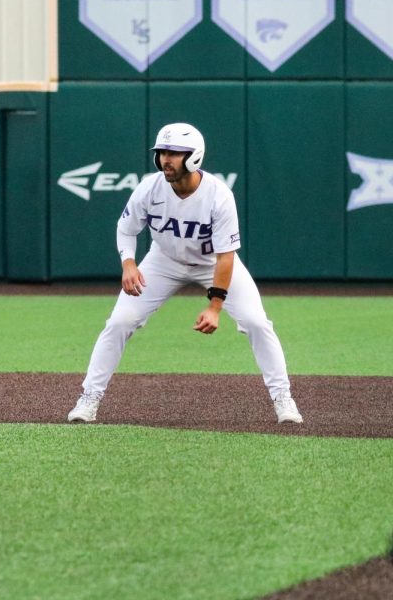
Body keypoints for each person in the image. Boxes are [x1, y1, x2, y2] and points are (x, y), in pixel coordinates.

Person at [67, 122, 302, 424]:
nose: (166, 159)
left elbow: (226, 257)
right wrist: (128, 262)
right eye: (162, 152)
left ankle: (283, 398)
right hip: (163, 260)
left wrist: (215, 306)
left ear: (194, 157)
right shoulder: (150, 188)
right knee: (119, 321)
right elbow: (126, 228)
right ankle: (89, 398)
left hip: (211, 263)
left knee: (256, 322)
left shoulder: (218, 195)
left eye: (175, 153)